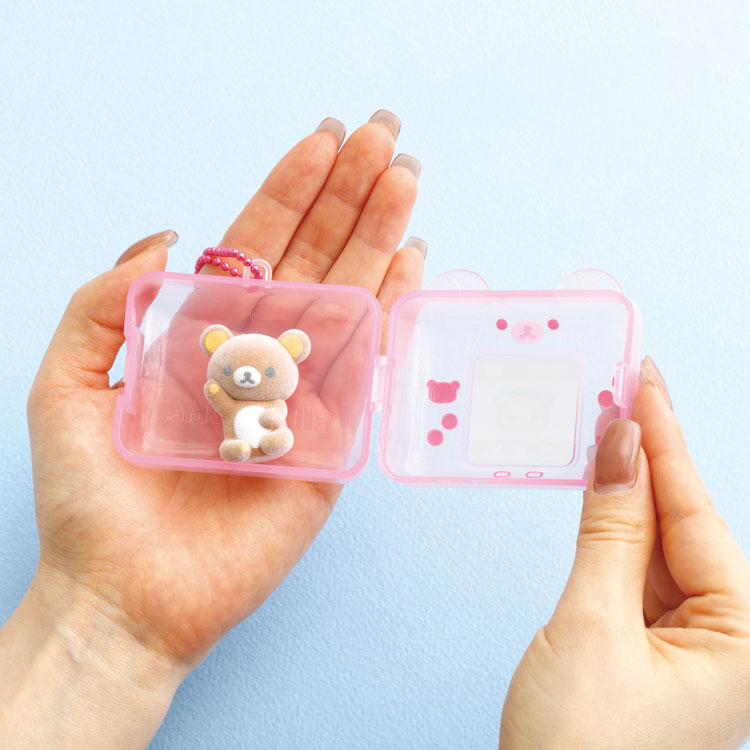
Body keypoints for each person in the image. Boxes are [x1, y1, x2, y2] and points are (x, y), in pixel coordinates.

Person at [0, 111, 748, 750]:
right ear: (217, 351)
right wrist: (100, 612)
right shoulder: (224, 375)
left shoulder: (281, 376)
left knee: (262, 429)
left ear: (294, 354)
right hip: (243, 435)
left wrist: (98, 624)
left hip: (263, 433)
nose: (249, 374)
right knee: (254, 428)